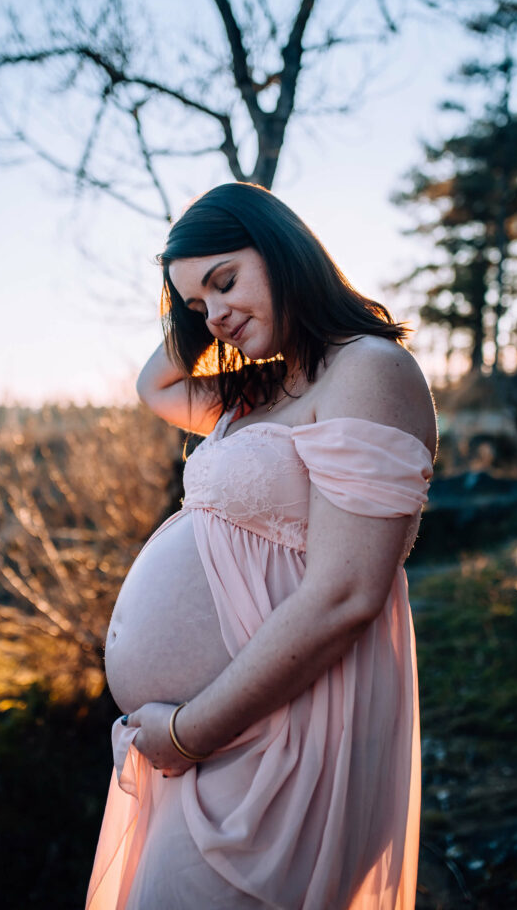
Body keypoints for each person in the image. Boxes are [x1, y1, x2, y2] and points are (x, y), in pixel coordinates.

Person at [86, 182, 436, 910]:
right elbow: (157, 384)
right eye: (194, 307)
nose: (213, 315)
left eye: (226, 280)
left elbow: (346, 593)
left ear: (286, 252)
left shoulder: (367, 370)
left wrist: (187, 733)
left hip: (280, 737)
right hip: (219, 735)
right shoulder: (262, 391)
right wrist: (206, 300)